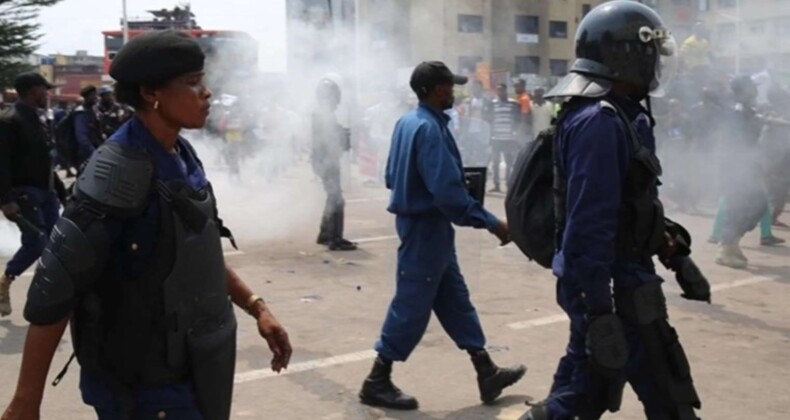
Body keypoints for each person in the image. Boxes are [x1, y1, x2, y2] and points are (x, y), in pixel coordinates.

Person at [1, 31, 292, 420]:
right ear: (151, 92)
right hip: (140, 387)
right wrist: (26, 401)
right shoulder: (117, 173)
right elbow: (57, 285)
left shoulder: (180, 153)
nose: (205, 93)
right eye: (192, 83)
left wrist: (258, 307)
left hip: (190, 368)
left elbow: (192, 251)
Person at [520, 2, 702, 419]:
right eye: (651, 54)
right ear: (625, 56)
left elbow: (631, 204)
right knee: (658, 392)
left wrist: (675, 251)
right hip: (615, 285)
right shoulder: (599, 121)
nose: (656, 65)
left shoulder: (617, 115)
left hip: (616, 278)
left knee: (585, 389)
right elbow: (589, 223)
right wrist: (599, 309)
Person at [359, 61, 526, 411]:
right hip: (425, 227)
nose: (455, 92)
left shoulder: (408, 122)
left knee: (454, 299)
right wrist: (493, 223)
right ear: (437, 90)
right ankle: (377, 379)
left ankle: (485, 369)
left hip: (423, 225)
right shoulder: (430, 130)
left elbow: (392, 176)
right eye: (451, 86)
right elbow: (449, 196)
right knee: (411, 303)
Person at [0, 72, 66, 317]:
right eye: (43, 89)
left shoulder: (40, 120)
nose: (47, 94)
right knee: (36, 242)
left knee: (54, 243)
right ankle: (6, 280)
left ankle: (47, 293)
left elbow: (45, 160)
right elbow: (2, 163)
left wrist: (60, 191)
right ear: (31, 91)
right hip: (24, 192)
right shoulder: (9, 121)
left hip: (46, 191)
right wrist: (5, 199)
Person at [711, 75, 784, 269]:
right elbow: (738, 137)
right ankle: (726, 247)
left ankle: (731, 244)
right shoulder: (737, 111)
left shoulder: (747, 110)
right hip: (736, 165)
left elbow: (761, 122)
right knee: (741, 206)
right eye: (752, 87)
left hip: (746, 164)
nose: (755, 90)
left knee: (757, 204)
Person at [312, 78, 357, 251]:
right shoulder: (323, 114)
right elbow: (326, 140)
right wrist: (342, 136)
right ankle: (334, 239)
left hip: (325, 160)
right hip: (327, 161)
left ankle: (325, 234)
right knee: (336, 199)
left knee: (333, 197)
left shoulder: (322, 113)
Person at [487, 83, 522, 192]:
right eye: (498, 91)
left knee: (509, 162)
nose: (500, 93)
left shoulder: (513, 104)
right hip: (496, 137)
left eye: (502, 90)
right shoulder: (493, 104)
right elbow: (489, 120)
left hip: (509, 138)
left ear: (506, 91)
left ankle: (508, 183)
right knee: (495, 162)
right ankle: (496, 184)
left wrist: (516, 133)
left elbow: (518, 120)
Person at [73, 85, 104, 166]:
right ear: (86, 97)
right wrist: (92, 151)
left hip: (95, 148)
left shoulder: (94, 109)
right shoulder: (81, 112)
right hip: (85, 152)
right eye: (93, 95)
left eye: (96, 94)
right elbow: (81, 136)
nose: (96, 97)